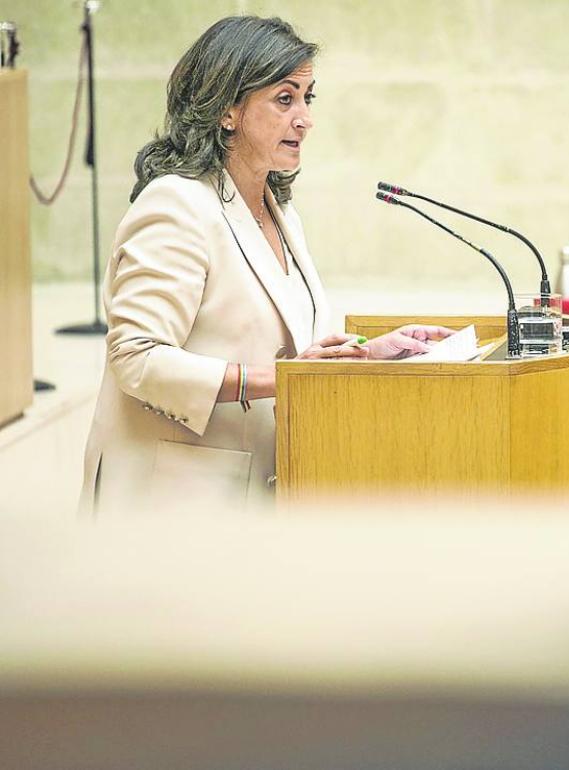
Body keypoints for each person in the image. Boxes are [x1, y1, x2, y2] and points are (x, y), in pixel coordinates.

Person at [80, 16, 450, 515]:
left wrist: (369, 354)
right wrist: (285, 377)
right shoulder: (177, 205)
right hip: (169, 501)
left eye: (308, 97)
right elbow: (137, 357)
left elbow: (292, 348)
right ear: (228, 110)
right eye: (285, 98)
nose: (304, 118)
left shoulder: (277, 209)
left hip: (253, 494)